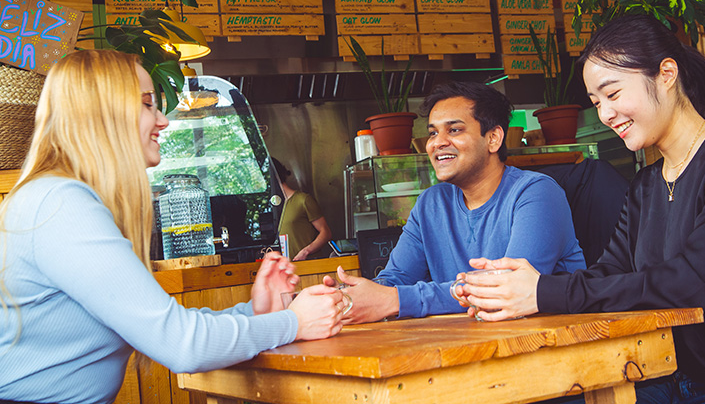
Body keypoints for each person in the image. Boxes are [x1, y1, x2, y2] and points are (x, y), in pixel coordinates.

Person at [0, 50, 346, 404]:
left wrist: (254, 311)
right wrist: (294, 323)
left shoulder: (61, 198)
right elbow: (183, 344)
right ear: (105, 112)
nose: (163, 120)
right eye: (148, 104)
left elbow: (164, 325)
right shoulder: (61, 204)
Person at [456, 15, 705, 403]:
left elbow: (693, 281)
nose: (606, 115)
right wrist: (514, 288)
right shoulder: (646, 185)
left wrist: (545, 293)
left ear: (666, 74)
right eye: (596, 103)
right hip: (658, 376)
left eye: (612, 94)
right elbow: (608, 274)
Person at [327, 81, 587, 324]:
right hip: (465, 349)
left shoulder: (536, 193)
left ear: (493, 138)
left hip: (543, 349)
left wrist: (394, 300)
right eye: (432, 133)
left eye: (454, 130)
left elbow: (505, 290)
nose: (438, 143)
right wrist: (348, 296)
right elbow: (397, 278)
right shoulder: (431, 203)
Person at [273, 157, 332, 261]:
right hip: (286, 271)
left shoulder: (303, 200)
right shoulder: (272, 209)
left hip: (308, 267)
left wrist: (306, 252)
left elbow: (326, 232)